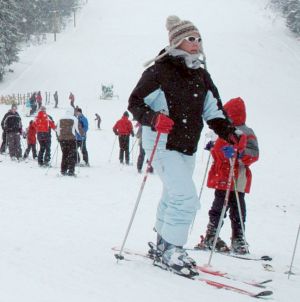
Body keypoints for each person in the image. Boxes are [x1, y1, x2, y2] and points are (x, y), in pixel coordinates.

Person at [128, 15, 242, 277]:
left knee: (173, 194)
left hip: (187, 145)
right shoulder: (158, 71)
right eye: (191, 38)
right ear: (177, 41)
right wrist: (154, 118)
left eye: (199, 38)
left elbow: (213, 111)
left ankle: (161, 243)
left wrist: (230, 134)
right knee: (185, 197)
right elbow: (135, 102)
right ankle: (172, 248)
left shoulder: (201, 74)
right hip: (161, 142)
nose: (196, 43)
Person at [195, 97, 259, 254]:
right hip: (222, 175)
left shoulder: (246, 132)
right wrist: (212, 148)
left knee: (236, 207)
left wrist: (239, 153)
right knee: (219, 205)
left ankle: (237, 238)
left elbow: (254, 154)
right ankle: (212, 235)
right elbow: (219, 151)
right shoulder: (224, 130)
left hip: (237, 176)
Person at [57, 109, 80, 176]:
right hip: (71, 139)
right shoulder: (74, 119)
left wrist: (59, 137)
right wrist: (82, 134)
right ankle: (71, 171)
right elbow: (78, 129)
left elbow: (57, 130)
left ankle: (63, 170)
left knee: (64, 154)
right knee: (72, 155)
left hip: (62, 140)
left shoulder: (60, 118)